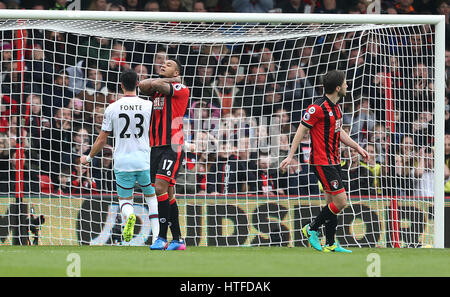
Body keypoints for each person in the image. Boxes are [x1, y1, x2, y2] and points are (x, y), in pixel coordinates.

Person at [280, 70, 369, 253]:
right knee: (341, 201)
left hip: (334, 160)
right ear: (337, 88)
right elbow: (301, 131)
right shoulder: (317, 108)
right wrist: (290, 155)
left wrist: (357, 147)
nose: (347, 86)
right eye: (345, 83)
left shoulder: (336, 108)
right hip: (321, 161)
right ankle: (311, 228)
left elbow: (339, 131)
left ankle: (330, 244)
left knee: (330, 202)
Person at [80, 69, 159, 244]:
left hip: (123, 161)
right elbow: (156, 132)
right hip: (144, 159)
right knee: (151, 198)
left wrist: (89, 157)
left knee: (125, 199)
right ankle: (156, 239)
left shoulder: (112, 107)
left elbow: (102, 139)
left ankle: (129, 216)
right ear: (138, 84)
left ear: (121, 85)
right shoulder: (149, 106)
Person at [138, 58, 190, 250]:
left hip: (173, 145)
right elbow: (142, 85)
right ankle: (178, 240)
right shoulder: (158, 88)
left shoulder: (182, 88)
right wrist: (159, 80)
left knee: (159, 188)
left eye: (168, 65)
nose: (163, 65)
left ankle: (161, 237)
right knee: (167, 193)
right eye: (163, 63)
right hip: (156, 146)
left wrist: (163, 81)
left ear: (177, 73)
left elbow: (155, 84)